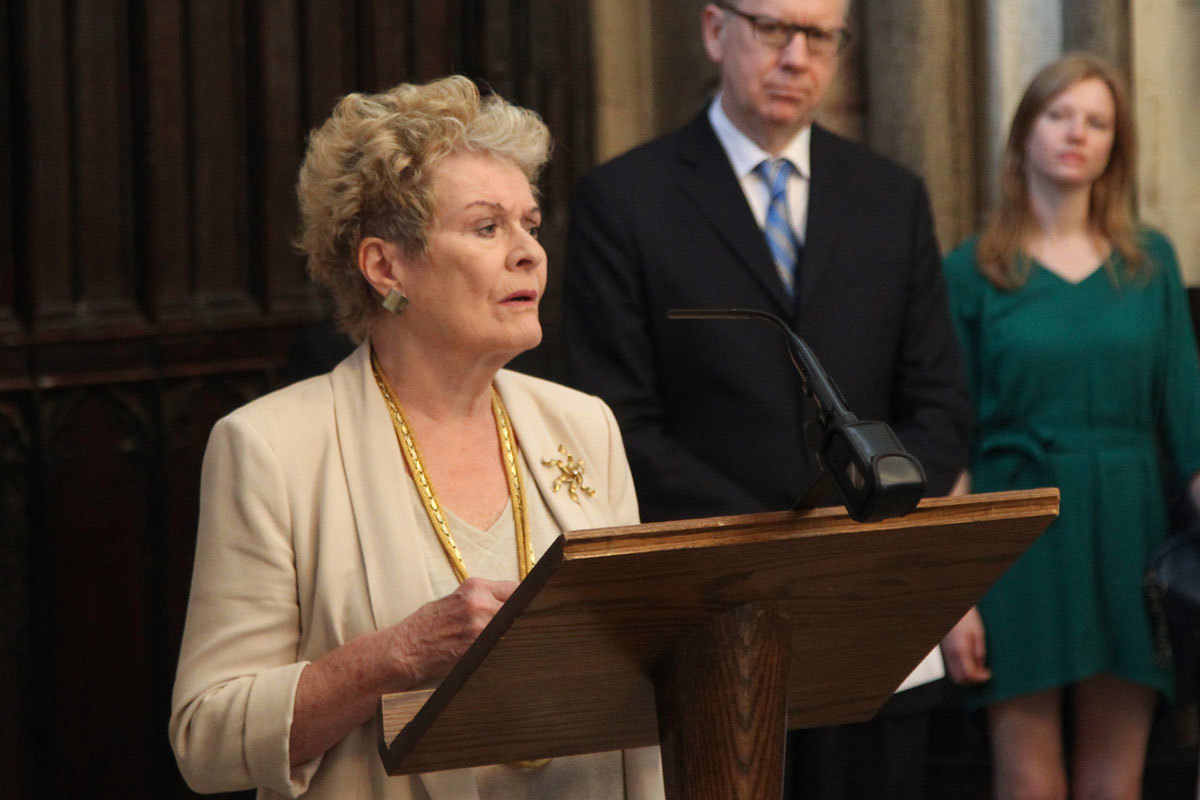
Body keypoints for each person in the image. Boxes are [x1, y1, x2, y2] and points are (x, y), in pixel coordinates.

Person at [169, 76, 664, 800]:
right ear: (385, 267)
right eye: (487, 227)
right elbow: (206, 738)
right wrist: (393, 657)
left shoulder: (583, 425)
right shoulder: (271, 448)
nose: (530, 252)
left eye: (529, 223)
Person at [562, 1, 971, 798]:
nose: (796, 56)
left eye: (820, 35)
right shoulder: (626, 199)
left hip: (871, 606)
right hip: (714, 616)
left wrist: (862, 518)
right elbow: (615, 423)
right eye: (774, 29)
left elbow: (941, 403)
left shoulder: (890, 195)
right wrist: (777, 539)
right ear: (717, 31)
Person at [940, 52, 1200, 800]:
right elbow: (950, 436)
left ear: (1117, 146)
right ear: (1024, 131)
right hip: (1017, 532)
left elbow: (1188, 428)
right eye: (1059, 115)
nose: (1075, 134)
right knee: (1027, 782)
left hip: (1131, 536)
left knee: (1115, 784)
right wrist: (954, 597)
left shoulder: (1150, 263)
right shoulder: (972, 268)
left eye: (1097, 121)